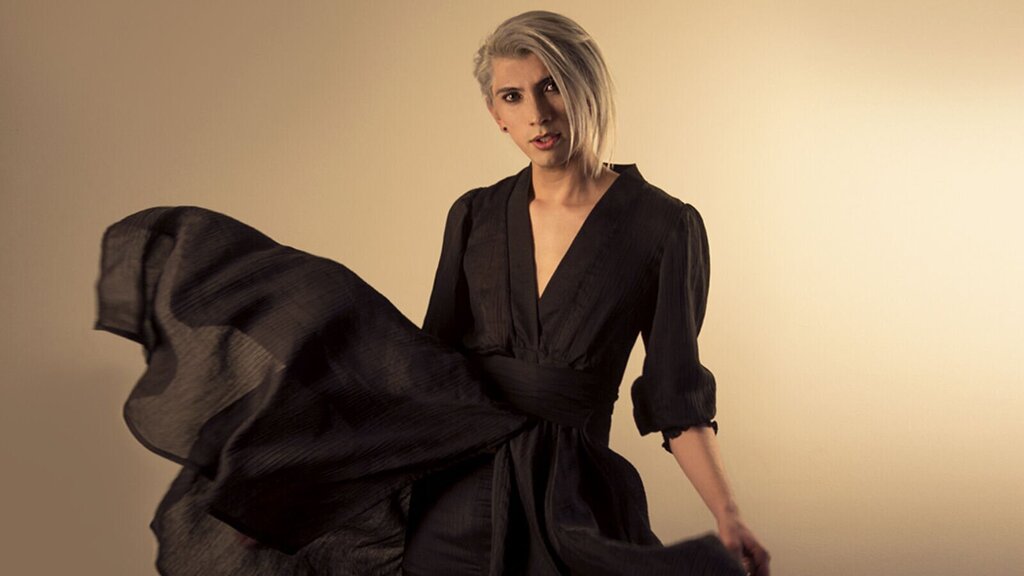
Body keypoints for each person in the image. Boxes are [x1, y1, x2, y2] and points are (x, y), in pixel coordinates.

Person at [93, 10, 768, 576]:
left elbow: (677, 398)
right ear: (494, 113)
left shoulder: (664, 226)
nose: (537, 113)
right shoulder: (475, 215)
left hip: (576, 500)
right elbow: (416, 378)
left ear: (587, 86)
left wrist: (728, 515)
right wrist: (294, 495)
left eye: (552, 86)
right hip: (455, 497)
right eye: (513, 96)